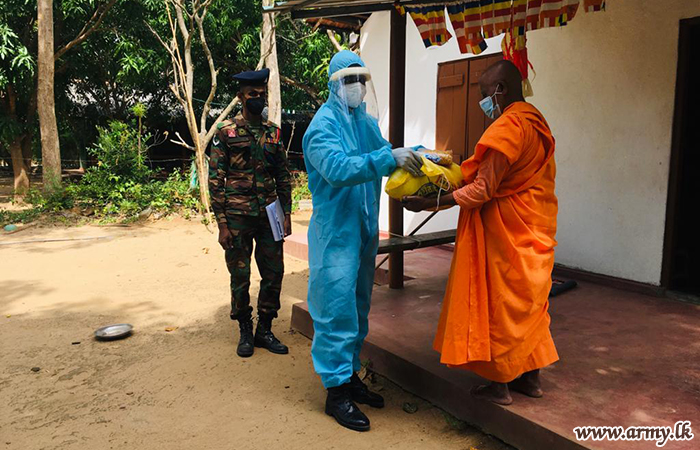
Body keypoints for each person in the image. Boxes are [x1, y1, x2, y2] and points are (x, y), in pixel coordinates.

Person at [403, 60, 559, 406]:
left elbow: (482, 189)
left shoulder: (509, 127)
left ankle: (499, 384)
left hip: (506, 235)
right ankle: (531, 379)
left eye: (485, 94)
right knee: (531, 306)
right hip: (535, 226)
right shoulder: (537, 121)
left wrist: (429, 203)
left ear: (500, 90)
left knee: (501, 306)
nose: (483, 102)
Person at [302, 50, 423, 431]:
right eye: (350, 80)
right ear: (335, 83)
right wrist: (388, 160)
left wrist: (422, 155)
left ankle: (351, 374)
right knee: (335, 310)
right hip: (336, 235)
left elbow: (385, 151)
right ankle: (336, 391)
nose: (358, 87)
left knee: (357, 307)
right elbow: (339, 169)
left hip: (363, 230)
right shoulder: (321, 127)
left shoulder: (364, 123)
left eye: (362, 80)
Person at [209, 68, 291, 358]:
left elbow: (283, 175)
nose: (258, 98)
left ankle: (264, 329)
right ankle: (245, 328)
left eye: (261, 94)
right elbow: (215, 179)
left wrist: (287, 213)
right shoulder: (226, 132)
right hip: (237, 216)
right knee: (240, 276)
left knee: (274, 273)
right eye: (252, 94)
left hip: (270, 216)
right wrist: (222, 224)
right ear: (240, 97)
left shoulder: (274, 132)